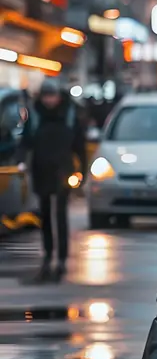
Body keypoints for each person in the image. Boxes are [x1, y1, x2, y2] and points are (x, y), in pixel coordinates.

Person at [21, 78, 87, 281]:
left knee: (60, 215)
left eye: (52, 96)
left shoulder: (69, 114)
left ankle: (61, 261)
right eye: (46, 96)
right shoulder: (36, 115)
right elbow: (26, 141)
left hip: (62, 170)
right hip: (41, 169)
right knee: (45, 215)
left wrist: (82, 170)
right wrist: (21, 161)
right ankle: (48, 257)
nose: (49, 100)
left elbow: (79, 145)